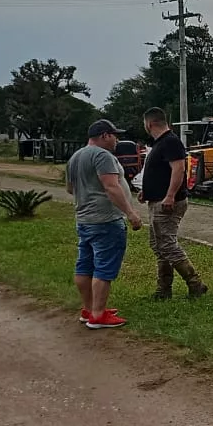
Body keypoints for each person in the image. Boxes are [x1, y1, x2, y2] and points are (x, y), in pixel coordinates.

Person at [66, 119, 143, 329]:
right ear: (105, 135)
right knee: (104, 267)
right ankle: (98, 315)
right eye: (115, 135)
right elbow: (111, 187)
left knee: (85, 265)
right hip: (106, 220)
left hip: (84, 219)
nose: (117, 140)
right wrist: (130, 213)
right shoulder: (102, 155)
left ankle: (89, 309)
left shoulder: (76, 157)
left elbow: (70, 189)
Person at [139, 107, 208, 299]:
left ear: (149, 123)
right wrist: (148, 191)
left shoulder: (170, 142)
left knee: (167, 245)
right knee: (159, 245)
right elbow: (162, 172)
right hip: (157, 200)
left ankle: (195, 283)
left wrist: (170, 195)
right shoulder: (160, 144)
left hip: (167, 203)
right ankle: (164, 289)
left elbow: (178, 169)